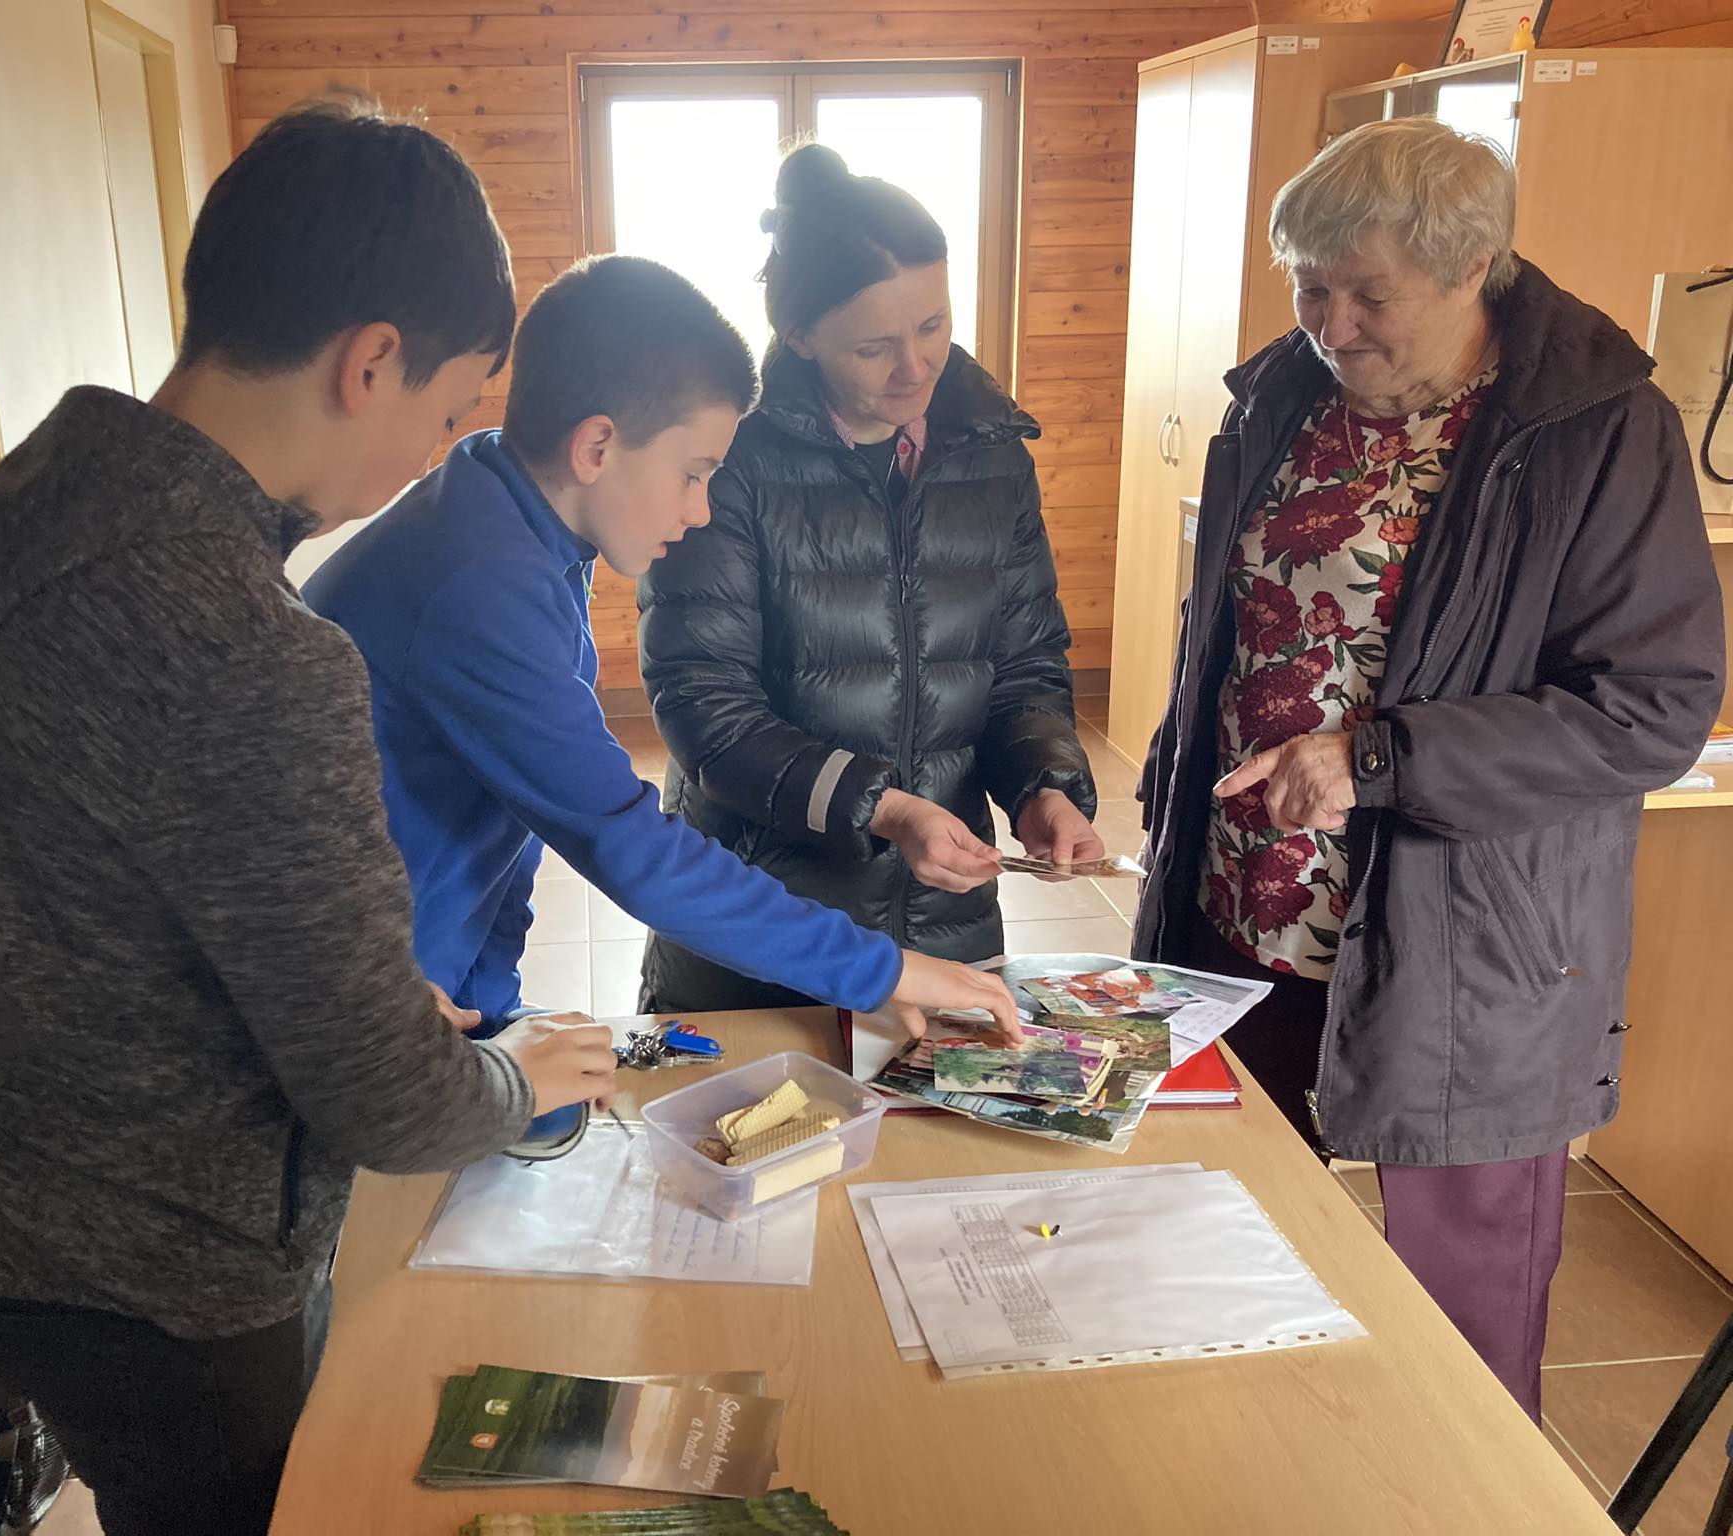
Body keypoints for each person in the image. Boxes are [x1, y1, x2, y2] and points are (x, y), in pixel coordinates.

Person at [0, 98, 618, 1535]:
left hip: (6, 1213)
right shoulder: (249, 648)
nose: (434, 457)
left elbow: (105, 890)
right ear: (369, 363)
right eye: (446, 415)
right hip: (176, 1278)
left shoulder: (11, 527)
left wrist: (348, 990)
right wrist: (518, 1073)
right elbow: (389, 1105)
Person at [1132, 118, 1724, 1419]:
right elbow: (1226, 633)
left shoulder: (1596, 430)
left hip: (1467, 939)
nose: (1329, 326)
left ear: (1473, 269)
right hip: (1244, 899)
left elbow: (1651, 708)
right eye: (1308, 287)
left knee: (1461, 1325)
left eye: (1368, 295)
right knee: (1215, 1246)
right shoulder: (1277, 399)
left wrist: (1378, 759)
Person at [304, 255, 1020, 1152]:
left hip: (425, 993)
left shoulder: (503, 515)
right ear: (597, 447)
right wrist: (882, 970)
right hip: (358, 1008)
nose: (702, 508)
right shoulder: (478, 583)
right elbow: (626, 844)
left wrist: (490, 1014)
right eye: (694, 472)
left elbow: (507, 824)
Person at [636, 143, 1101, 1015]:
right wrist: (885, 809)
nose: (914, 368)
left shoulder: (992, 453)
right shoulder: (730, 459)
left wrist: (1044, 785)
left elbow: (1024, 665)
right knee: (768, 1104)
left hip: (944, 915)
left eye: (933, 326)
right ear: (801, 336)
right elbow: (705, 708)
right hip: (761, 921)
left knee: (935, 1105)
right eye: (874, 347)